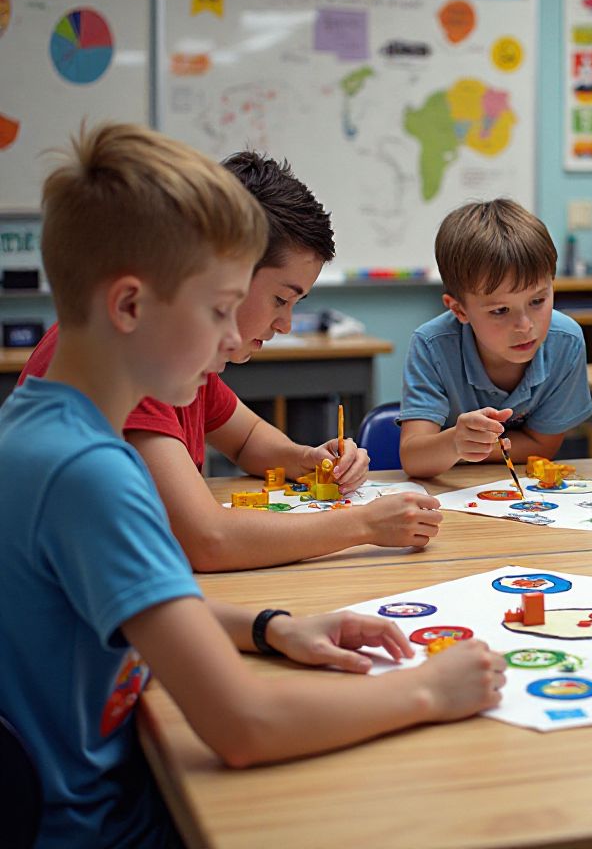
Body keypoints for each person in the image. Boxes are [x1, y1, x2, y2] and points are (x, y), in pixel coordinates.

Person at [0, 123, 505, 848]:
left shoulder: (38, 424)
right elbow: (244, 726)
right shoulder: (92, 474)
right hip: (107, 826)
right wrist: (427, 688)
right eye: (217, 311)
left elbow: (138, 600)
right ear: (130, 306)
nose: (236, 340)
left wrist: (271, 628)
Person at [19, 150, 442, 570]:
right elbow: (207, 541)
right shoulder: (133, 363)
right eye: (280, 299)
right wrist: (363, 525)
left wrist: (307, 460)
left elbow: (244, 438)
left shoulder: (176, 358)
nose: (286, 325)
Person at [399, 198, 592, 478]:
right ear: (458, 310)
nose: (525, 326)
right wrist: (455, 442)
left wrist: (465, 450)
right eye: (500, 310)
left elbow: (544, 447)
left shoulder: (566, 341)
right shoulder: (431, 346)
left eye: (538, 301)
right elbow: (414, 459)